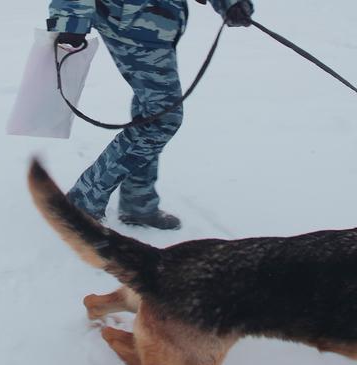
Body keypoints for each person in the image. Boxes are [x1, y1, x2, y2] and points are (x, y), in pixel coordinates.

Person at [46, 0, 254, 230]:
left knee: (152, 114)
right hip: (127, 21)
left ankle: (138, 202)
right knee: (163, 119)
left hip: (160, 20)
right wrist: (71, 20)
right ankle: (82, 202)